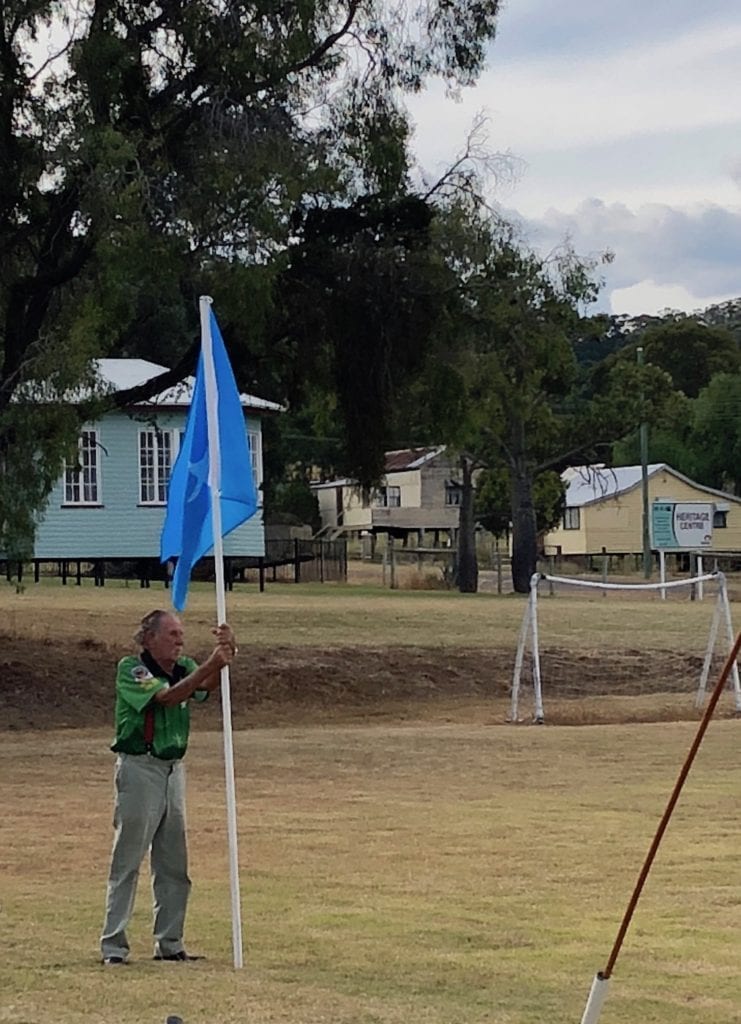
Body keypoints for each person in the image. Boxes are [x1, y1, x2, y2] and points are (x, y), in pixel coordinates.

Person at [100, 609, 237, 965]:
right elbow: (167, 698)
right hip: (139, 767)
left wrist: (225, 659)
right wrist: (212, 663)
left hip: (173, 768)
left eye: (181, 634)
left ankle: (170, 944)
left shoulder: (186, 667)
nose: (180, 640)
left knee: (174, 861)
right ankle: (113, 946)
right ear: (149, 638)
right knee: (128, 859)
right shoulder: (132, 669)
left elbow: (204, 687)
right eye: (172, 634)